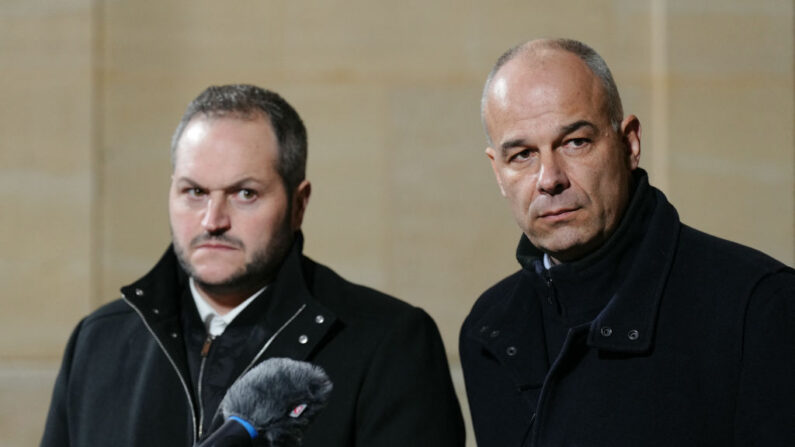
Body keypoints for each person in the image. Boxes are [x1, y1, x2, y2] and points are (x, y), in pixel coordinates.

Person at [42, 84, 465, 447]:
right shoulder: (98, 342)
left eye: (245, 193)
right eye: (194, 192)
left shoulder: (389, 343)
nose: (213, 220)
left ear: (299, 204)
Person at [460, 38, 794, 446]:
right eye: (523, 155)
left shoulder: (758, 306)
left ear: (629, 143)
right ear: (498, 172)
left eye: (575, 142)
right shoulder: (488, 330)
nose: (550, 178)